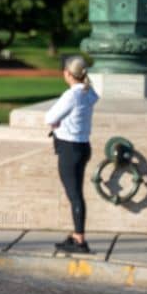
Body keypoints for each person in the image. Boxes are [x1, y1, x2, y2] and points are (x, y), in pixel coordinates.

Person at [45, 56, 99, 254]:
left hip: (69, 148)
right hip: (82, 146)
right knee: (76, 193)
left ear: (68, 73)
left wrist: (56, 123)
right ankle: (76, 235)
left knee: (74, 195)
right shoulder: (88, 92)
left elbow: (49, 117)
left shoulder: (72, 95)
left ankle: (79, 239)